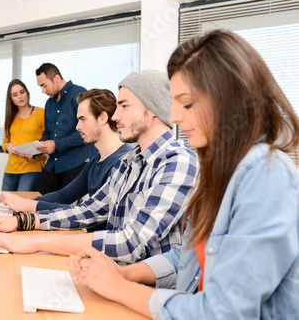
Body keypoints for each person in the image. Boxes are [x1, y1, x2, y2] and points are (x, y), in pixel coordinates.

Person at [67, 29, 299, 319]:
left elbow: (222, 312)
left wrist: (121, 289)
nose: (174, 116)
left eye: (186, 103)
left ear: (230, 101)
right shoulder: (219, 169)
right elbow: (186, 259)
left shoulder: (267, 176)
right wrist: (123, 275)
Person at [0, 70, 198, 264]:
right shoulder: (130, 162)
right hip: (110, 272)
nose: (115, 116)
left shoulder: (178, 162)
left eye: (124, 106)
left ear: (153, 108)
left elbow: (130, 242)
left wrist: (34, 239)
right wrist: (21, 221)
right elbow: (88, 211)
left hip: (143, 291)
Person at [0, 89, 132, 226]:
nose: (78, 127)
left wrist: (28, 205)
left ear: (102, 118)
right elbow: (64, 196)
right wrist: (23, 203)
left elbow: (86, 212)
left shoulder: (124, 162)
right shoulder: (95, 162)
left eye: (82, 119)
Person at [34, 63, 97, 194]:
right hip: (55, 162)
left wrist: (56, 145)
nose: (43, 91)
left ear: (56, 78)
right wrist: (35, 149)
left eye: (44, 85)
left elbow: (87, 130)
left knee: (64, 205)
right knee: (37, 197)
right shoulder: (49, 103)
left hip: (77, 160)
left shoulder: (79, 94)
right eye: (40, 87)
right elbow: (48, 133)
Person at [1, 79, 45, 191]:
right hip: (11, 168)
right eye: (15, 95)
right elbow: (5, 142)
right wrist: (8, 147)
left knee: (22, 204)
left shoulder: (41, 113)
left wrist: (35, 153)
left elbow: (47, 139)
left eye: (22, 92)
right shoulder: (9, 117)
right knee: (4, 204)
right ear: (11, 99)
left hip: (32, 167)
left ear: (27, 93)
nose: (20, 97)